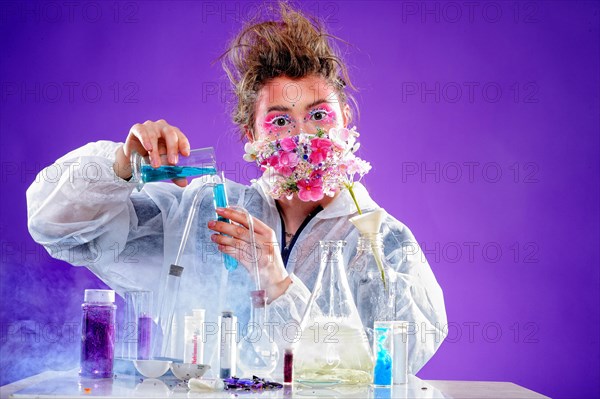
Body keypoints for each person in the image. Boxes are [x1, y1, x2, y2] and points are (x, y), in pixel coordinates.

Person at [26, 2, 447, 375]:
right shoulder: (203, 215)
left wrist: (277, 282)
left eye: (319, 115)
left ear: (346, 121)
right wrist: (121, 164)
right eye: (280, 121)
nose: (302, 136)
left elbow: (398, 363)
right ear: (251, 135)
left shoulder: (381, 241)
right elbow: (57, 227)